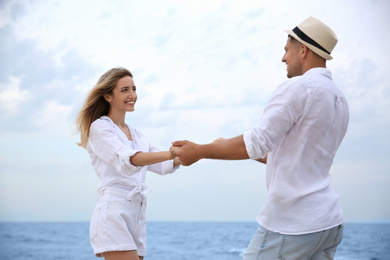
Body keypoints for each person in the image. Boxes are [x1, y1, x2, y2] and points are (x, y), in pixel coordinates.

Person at [172, 16, 349, 260]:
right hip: (328, 225)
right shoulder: (339, 99)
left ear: (303, 50)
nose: (283, 58)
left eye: (286, 50)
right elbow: (296, 155)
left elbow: (255, 142)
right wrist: (224, 147)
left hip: (293, 224)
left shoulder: (299, 88)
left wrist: (200, 151)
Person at [76, 67, 181, 260]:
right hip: (113, 212)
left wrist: (199, 151)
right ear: (108, 96)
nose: (132, 95)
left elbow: (161, 163)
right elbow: (129, 159)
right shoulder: (100, 127)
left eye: (134, 89)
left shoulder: (137, 134)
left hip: (137, 214)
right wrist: (171, 154)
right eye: (124, 90)